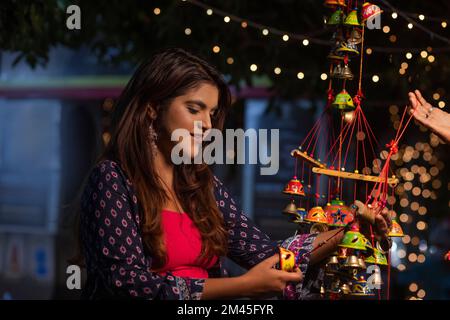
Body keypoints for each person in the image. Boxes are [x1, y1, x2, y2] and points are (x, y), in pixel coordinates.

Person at [77, 48, 391, 300]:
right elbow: (131, 286)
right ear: (151, 108)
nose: (208, 126)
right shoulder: (112, 180)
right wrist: (242, 287)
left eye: (212, 114)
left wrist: (351, 230)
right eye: (194, 109)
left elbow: (267, 255)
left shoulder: (202, 186)